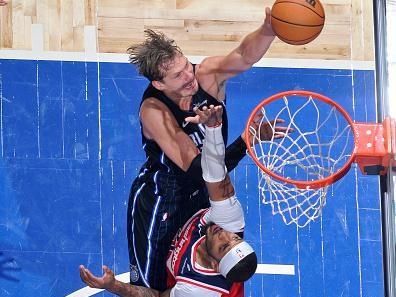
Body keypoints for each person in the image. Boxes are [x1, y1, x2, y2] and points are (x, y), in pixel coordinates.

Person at [126, 6, 276, 293]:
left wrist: (268, 29)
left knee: (205, 260)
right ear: (159, 83)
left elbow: (244, 56)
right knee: (151, 286)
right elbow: (199, 171)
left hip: (199, 197)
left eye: (186, 65)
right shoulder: (154, 110)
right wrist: (246, 141)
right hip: (162, 201)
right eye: (178, 76)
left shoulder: (205, 76)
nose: (189, 77)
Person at [80, 105, 285, 296]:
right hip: (190, 226)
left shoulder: (196, 288)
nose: (225, 235)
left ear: (214, 266)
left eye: (223, 247)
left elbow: (158, 296)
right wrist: (218, 130)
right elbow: (215, 175)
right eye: (236, 239)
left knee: (145, 282)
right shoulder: (229, 222)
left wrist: (112, 285)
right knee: (201, 178)